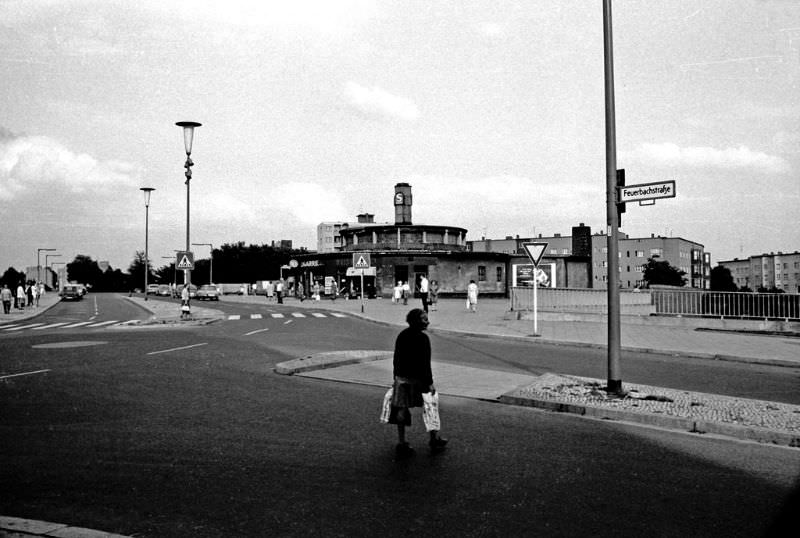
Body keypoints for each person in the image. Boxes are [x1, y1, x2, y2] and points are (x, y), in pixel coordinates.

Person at [388, 308, 448, 458]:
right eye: (424, 319)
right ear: (417, 321)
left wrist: (395, 378)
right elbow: (424, 364)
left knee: (401, 409)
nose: (428, 321)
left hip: (402, 379)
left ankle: (402, 442)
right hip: (419, 380)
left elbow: (397, 359)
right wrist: (430, 383)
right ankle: (433, 439)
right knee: (430, 407)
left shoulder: (402, 335)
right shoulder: (423, 339)